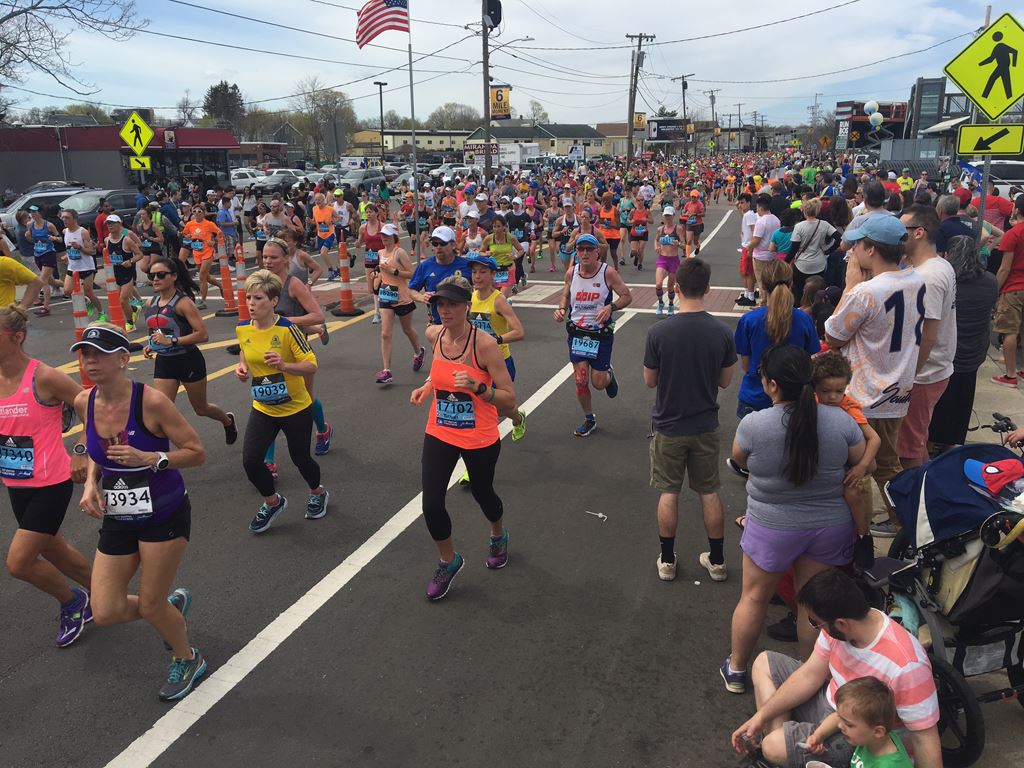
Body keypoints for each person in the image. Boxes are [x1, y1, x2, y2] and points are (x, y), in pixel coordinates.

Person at [73, 323, 208, 701]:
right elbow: (94, 444)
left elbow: (196, 452)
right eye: (84, 354)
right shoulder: (85, 401)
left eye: (98, 354)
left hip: (164, 513)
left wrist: (151, 458)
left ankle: (187, 656)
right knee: (105, 611)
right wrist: (89, 483)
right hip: (119, 513)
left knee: (149, 604)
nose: (89, 361)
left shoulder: (150, 402)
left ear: (123, 359)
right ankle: (167, 609)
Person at [731, 569, 942, 768]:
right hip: (833, 701)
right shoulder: (843, 625)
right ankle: (786, 750)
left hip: (857, 728)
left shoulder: (907, 665)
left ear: (841, 624)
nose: (815, 627)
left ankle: (781, 750)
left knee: (772, 746)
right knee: (763, 662)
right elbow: (809, 674)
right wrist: (761, 718)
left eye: (816, 623)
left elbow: (924, 738)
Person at [408, 275, 516, 601]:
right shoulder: (434, 334)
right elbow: (440, 371)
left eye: (453, 303)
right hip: (440, 429)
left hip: (479, 434)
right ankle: (448, 560)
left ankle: (498, 534)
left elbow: (509, 399)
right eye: (441, 303)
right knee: (431, 502)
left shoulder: (484, 345)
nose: (445, 310)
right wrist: (428, 386)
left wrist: (478, 388)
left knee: (484, 494)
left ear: (467, 306)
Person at [825, 215, 923, 539]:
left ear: (870, 249)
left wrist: (851, 283)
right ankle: (906, 527)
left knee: (858, 472)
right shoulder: (917, 280)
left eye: (857, 246)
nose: (852, 252)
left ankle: (859, 536)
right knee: (888, 465)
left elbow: (833, 334)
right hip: (898, 391)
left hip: (863, 397)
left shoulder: (866, 291)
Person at [0, 305, 93, 646]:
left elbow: (89, 409)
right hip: (15, 482)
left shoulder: (44, 377)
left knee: (20, 563)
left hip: (50, 481)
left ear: (17, 338)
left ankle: (73, 602)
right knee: (53, 549)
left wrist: (81, 452)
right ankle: (105, 593)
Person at [643, 258, 736, 583]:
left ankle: (667, 560)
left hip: (669, 424)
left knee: (669, 491)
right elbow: (725, 381)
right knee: (708, 490)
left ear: (676, 288)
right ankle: (718, 559)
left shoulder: (658, 332)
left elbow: (650, 380)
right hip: (705, 424)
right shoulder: (722, 332)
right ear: (708, 289)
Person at [234, 270, 329, 533]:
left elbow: (311, 365)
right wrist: (241, 368)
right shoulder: (242, 328)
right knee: (251, 461)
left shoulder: (288, 329)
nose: (251, 303)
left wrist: (285, 364)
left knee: (301, 459)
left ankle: (317, 492)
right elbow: (245, 351)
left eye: (258, 298)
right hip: (263, 407)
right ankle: (272, 501)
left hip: (296, 407)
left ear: (274, 301)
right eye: (248, 297)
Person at [142, 257, 236, 442]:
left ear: (174, 276)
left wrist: (173, 341)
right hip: (165, 362)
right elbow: (157, 331)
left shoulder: (183, 303)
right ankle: (159, 456)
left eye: (161, 275)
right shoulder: (150, 304)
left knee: (201, 409)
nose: (155, 279)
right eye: (152, 275)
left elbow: (202, 334)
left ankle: (227, 421)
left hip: (188, 360)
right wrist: (151, 345)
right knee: (160, 410)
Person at [257, 238, 333, 460]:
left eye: (273, 257)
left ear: (286, 259)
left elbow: (318, 315)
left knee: (306, 400)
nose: (268, 262)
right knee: (269, 403)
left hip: (296, 350)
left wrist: (287, 320)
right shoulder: (259, 284)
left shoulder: (293, 284)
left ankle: (323, 429)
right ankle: (269, 461)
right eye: (264, 257)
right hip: (267, 353)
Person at [895, 205, 956, 473]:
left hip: (923, 375)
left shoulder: (927, 277)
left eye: (901, 231)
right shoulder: (939, 265)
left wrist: (909, 377)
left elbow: (928, 334)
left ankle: (912, 507)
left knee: (908, 449)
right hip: (934, 369)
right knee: (917, 440)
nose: (897, 236)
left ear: (918, 232)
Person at [552, 233, 632, 437]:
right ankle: (589, 419)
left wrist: (610, 307)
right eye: (581, 249)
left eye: (589, 249)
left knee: (597, 383)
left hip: (600, 334)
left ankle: (609, 376)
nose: (585, 253)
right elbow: (565, 293)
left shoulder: (608, 273)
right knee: (580, 380)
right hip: (578, 333)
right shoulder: (572, 273)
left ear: (598, 252)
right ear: (577, 252)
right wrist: (561, 309)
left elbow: (627, 296)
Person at [812, 351, 881, 567]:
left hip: (851, 463)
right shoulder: (811, 403)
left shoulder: (849, 407)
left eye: (839, 391)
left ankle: (864, 537)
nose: (833, 397)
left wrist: (861, 466)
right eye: (826, 391)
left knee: (852, 491)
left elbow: (874, 439)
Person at [734, 260, 819, 420]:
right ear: (791, 283)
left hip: (755, 395)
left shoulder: (749, 320)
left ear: (764, 286)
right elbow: (810, 359)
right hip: (793, 399)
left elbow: (746, 366)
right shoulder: (804, 320)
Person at [466, 253, 526, 440]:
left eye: (483, 272)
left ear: (492, 275)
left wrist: (496, 340)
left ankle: (517, 418)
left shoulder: (498, 300)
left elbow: (519, 332)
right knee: (479, 407)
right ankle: (478, 449)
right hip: (476, 362)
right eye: (474, 272)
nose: (477, 276)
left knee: (501, 408)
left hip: (500, 361)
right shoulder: (470, 298)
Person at [806, 677, 914, 768]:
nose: (840, 725)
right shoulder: (872, 739)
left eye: (849, 725)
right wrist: (818, 735)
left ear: (878, 731)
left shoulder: (890, 765)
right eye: (841, 718)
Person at [374, 222, 425, 384]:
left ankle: (418, 352)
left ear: (394, 237)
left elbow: (412, 274)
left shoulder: (399, 253)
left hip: (402, 297)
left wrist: (394, 271)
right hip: (386, 296)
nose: (384, 239)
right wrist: (377, 279)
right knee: (385, 333)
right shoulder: (380, 252)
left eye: (387, 236)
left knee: (407, 329)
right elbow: (382, 272)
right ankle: (387, 370)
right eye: (382, 235)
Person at [408, 226, 472, 326]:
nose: (438, 247)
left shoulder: (467, 265)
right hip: (438, 323)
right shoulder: (425, 266)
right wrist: (422, 297)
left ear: (453, 244)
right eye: (435, 243)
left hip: (464, 323)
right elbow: (411, 290)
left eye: (442, 243)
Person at [991, 202, 1024, 386]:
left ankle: (1011, 375)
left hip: (1014, 288)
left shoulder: (1013, 234)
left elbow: (1004, 268)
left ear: (1017, 210)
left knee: (1010, 331)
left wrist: (994, 291)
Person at [787, 198, 839, 302]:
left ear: (804, 211)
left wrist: (785, 261)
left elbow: (794, 248)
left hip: (802, 264)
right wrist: (828, 250)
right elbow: (839, 237)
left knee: (799, 291)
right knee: (817, 291)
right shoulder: (824, 224)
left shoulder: (799, 226)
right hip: (819, 263)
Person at [103, 214, 146, 331]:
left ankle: (130, 322)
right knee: (118, 300)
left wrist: (130, 261)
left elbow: (140, 254)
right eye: (108, 224)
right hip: (115, 273)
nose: (110, 226)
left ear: (119, 224)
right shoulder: (107, 240)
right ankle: (133, 309)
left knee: (123, 299)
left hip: (127, 273)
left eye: (112, 223)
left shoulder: (126, 240)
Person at [60, 208, 104, 320]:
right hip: (73, 267)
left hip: (86, 266)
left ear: (74, 219)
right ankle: (87, 302)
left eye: (67, 217)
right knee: (67, 290)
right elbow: (69, 248)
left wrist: (79, 247)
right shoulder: (65, 231)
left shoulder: (83, 232)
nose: (64, 219)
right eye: (63, 217)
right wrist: (67, 255)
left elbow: (91, 251)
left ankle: (101, 312)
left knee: (89, 291)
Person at [179, 207, 225, 311]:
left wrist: (214, 242)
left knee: (202, 276)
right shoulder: (190, 224)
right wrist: (188, 236)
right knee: (206, 277)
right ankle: (221, 286)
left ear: (204, 213)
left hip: (207, 252)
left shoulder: (209, 224)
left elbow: (220, 233)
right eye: (194, 211)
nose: (196, 213)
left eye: (199, 212)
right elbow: (185, 233)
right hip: (197, 252)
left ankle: (203, 301)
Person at [25, 206, 63, 317]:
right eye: (31, 212)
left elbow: (60, 238)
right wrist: (27, 237)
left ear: (40, 213)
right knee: (52, 282)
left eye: (35, 212)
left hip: (49, 254)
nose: (32, 214)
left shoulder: (49, 225)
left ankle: (46, 308)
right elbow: (32, 239)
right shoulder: (30, 225)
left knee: (42, 281)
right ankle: (73, 289)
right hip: (37, 254)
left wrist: (54, 238)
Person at [481, 214, 524, 299]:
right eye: (494, 226)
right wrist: (486, 253)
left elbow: (521, 250)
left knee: (502, 297)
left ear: (504, 227)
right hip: (494, 270)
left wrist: (514, 256)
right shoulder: (489, 238)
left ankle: (505, 303)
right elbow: (481, 252)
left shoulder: (510, 238)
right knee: (494, 297)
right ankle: (507, 304)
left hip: (508, 269)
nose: (496, 229)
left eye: (499, 226)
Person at [355, 203, 385, 323]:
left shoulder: (382, 227)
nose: (368, 214)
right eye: (366, 212)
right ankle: (379, 310)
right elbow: (359, 241)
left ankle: (378, 312)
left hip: (381, 259)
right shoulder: (363, 227)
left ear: (376, 213)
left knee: (381, 285)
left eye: (370, 212)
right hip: (369, 259)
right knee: (372, 288)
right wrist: (357, 243)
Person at [653, 206, 685, 317]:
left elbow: (685, 246)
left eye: (669, 216)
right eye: (666, 216)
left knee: (670, 287)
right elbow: (656, 240)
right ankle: (660, 303)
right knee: (658, 283)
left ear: (673, 216)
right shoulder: (660, 229)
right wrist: (657, 246)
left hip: (673, 260)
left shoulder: (678, 229)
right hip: (662, 259)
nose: (667, 218)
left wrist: (679, 244)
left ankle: (671, 305)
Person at [682, 189, 706, 256]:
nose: (693, 198)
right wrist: (685, 214)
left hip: (698, 224)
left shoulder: (699, 204)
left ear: (697, 197)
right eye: (692, 197)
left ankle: (697, 246)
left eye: (694, 197)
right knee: (689, 240)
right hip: (689, 224)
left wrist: (695, 214)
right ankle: (688, 256)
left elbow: (703, 214)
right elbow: (683, 211)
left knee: (695, 241)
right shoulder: (688, 204)